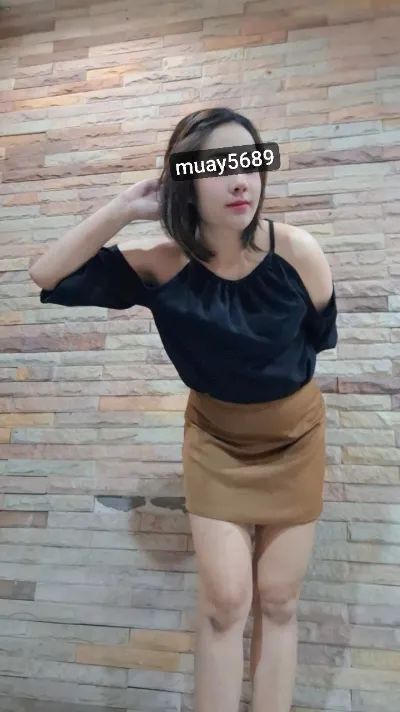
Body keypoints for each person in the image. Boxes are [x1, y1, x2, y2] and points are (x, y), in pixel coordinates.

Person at [29, 107, 337, 712]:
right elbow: (48, 275)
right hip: (216, 443)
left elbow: (317, 340)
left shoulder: (299, 252)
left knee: (279, 600)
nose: (240, 180)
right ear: (186, 181)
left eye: (250, 162)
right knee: (224, 604)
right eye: (218, 166)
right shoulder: (162, 265)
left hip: (295, 439)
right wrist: (124, 206)